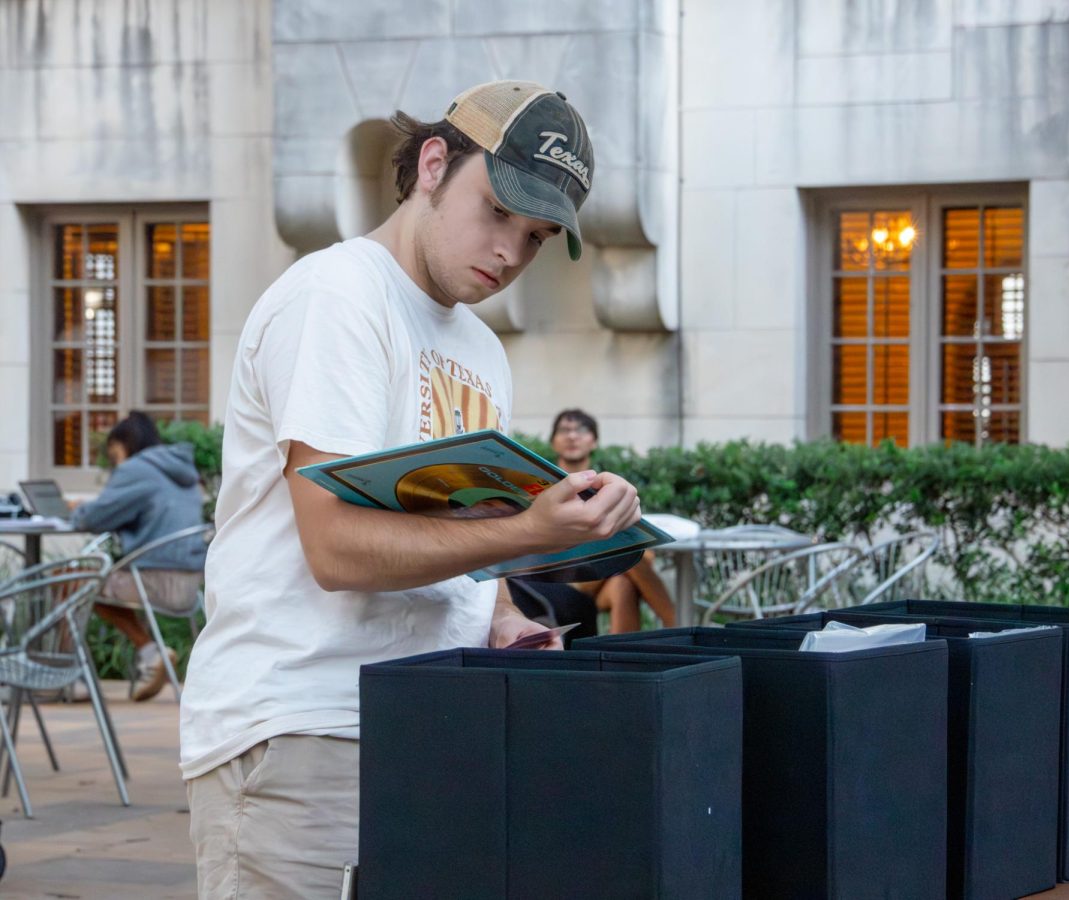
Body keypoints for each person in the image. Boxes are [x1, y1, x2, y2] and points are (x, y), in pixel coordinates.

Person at [180, 81, 643, 897]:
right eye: (498, 212)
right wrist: (532, 534)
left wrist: (506, 619)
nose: (509, 252)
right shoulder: (338, 295)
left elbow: (460, 543)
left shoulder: (481, 350)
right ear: (434, 163)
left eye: (535, 236)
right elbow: (336, 547)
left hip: (425, 724)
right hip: (303, 727)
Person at [70, 411, 207, 701]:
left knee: (70, 582)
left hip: (153, 581)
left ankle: (66, 678)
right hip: (189, 584)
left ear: (125, 444)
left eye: (114, 453)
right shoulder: (184, 472)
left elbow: (92, 519)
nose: (114, 462)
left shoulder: (136, 470)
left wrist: (74, 509)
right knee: (94, 583)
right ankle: (150, 653)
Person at [549, 409, 676, 632]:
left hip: (601, 582)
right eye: (564, 430)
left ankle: (620, 661)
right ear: (553, 443)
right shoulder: (546, 488)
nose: (572, 436)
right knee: (629, 556)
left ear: (594, 442)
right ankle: (678, 624)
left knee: (623, 583)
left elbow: (646, 552)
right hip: (560, 581)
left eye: (581, 430)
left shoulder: (607, 488)